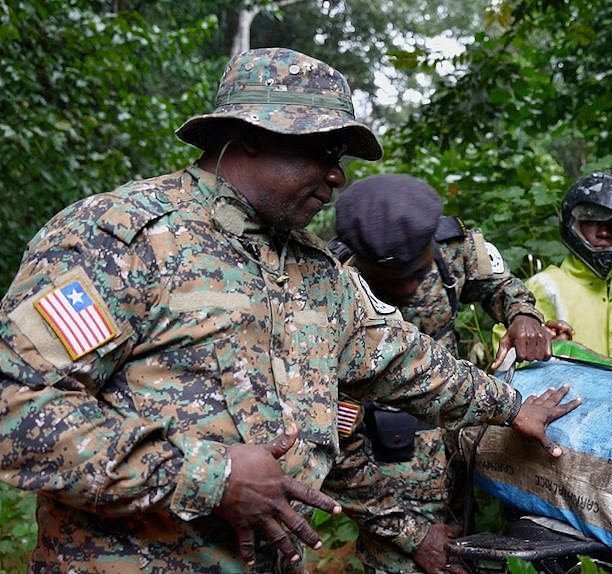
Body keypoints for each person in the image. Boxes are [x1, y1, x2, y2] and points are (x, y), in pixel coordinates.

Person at [0, 47, 578, 574]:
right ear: (250, 135)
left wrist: (511, 407)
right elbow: (14, 407)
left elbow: (404, 360)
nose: (338, 176)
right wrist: (210, 476)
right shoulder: (122, 239)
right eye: (322, 150)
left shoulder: (314, 268)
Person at [328, 173, 568, 573]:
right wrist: (412, 535)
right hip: (387, 487)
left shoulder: (450, 249)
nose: (407, 290)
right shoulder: (325, 301)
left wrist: (523, 314)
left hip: (457, 456)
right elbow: (336, 455)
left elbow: (497, 285)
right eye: (390, 285)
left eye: (416, 276)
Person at [494, 171, 612, 371]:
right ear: (573, 225)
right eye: (593, 222)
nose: (604, 232)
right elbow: (504, 358)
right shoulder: (545, 286)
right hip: (567, 397)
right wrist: (549, 343)